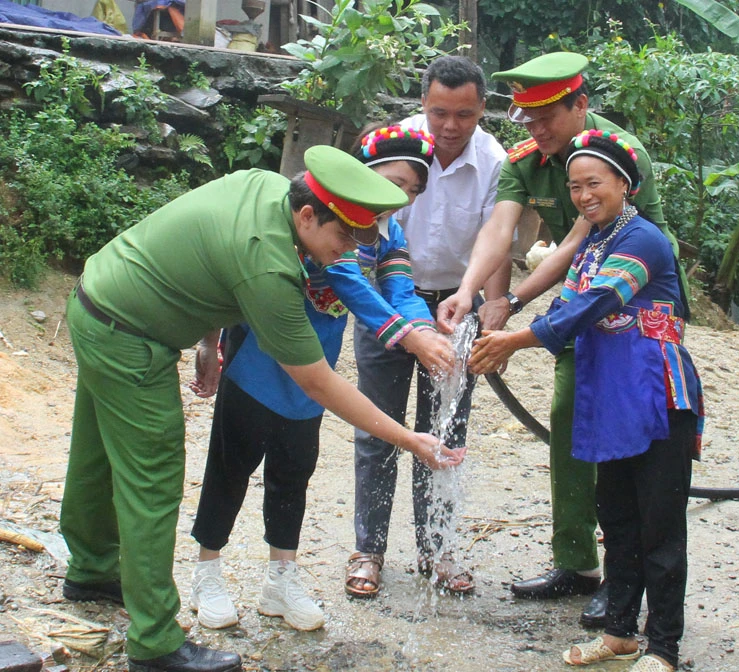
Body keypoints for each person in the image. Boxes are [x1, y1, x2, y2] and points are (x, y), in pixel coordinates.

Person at [60, 146, 464, 672]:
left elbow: (206, 256)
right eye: (343, 236)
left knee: (95, 454)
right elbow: (318, 382)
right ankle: (155, 641)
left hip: (100, 297)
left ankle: (91, 569)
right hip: (132, 337)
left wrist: (208, 338)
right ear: (306, 216)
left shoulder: (268, 185)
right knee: (153, 477)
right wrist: (410, 439)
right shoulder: (271, 268)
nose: (347, 252)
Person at [436, 51, 686, 627]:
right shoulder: (528, 157)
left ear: (581, 106)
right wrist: (474, 291)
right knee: (571, 418)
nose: (537, 129)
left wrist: (513, 309)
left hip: (636, 314)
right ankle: (577, 563)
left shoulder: (613, 157)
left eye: (548, 116)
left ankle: (633, 582)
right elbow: (501, 228)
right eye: (527, 118)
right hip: (581, 297)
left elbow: (579, 242)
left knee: (629, 439)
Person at [188, 127, 455, 631]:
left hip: (314, 368)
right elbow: (350, 283)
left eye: (409, 193)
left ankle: (281, 579)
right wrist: (411, 340)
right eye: (391, 186)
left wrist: (424, 329)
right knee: (231, 465)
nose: (392, 205)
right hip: (257, 361)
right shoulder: (325, 217)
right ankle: (207, 571)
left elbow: (399, 288)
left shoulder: (388, 233)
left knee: (294, 471)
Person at [469, 129, 703, 672]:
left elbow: (593, 305)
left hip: (657, 394)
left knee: (661, 526)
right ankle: (620, 633)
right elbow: (570, 308)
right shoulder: (594, 243)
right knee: (617, 516)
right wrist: (506, 330)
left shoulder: (643, 239)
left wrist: (515, 339)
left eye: (593, 183)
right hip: (609, 393)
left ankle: (664, 648)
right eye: (574, 186)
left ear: (624, 183)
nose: (582, 195)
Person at [347, 55, 507, 597]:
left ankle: (436, 548)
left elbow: (497, 240)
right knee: (377, 425)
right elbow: (367, 241)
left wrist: (492, 305)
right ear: (423, 105)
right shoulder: (396, 148)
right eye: (439, 112)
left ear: (483, 109)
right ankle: (368, 550)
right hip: (386, 301)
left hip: (455, 307)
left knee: (445, 432)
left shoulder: (495, 161)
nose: (449, 127)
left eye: (464, 114)